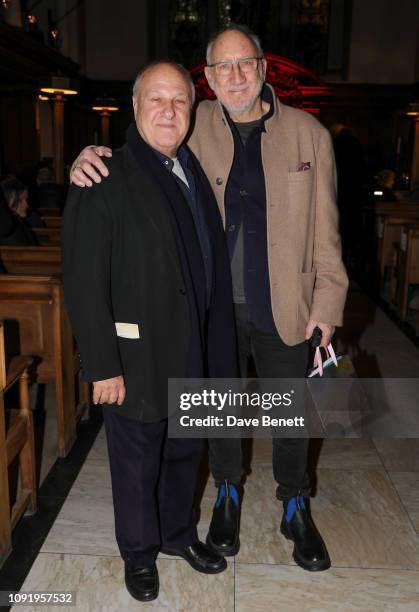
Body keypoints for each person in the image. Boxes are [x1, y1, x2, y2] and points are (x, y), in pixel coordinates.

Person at [70, 24, 348, 572]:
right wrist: (87, 155)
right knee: (216, 411)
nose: (236, 75)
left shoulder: (310, 135)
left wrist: (329, 303)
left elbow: (328, 230)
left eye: (245, 63)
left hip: (286, 304)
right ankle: (226, 493)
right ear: (210, 79)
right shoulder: (194, 130)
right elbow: (145, 148)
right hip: (213, 310)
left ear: (264, 69)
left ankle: (295, 502)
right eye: (223, 67)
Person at [62, 61, 238, 602]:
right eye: (156, 99)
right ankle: (139, 554)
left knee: (185, 449)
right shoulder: (103, 175)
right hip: (135, 354)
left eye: (179, 101)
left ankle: (177, 534)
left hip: (195, 345)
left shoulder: (192, 170)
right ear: (134, 108)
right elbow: (84, 279)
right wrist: (103, 365)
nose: (168, 110)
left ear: (192, 110)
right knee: (137, 460)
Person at [0, 177, 38, 245]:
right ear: (9, 200)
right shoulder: (10, 229)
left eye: (26, 200)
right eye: (21, 200)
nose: (26, 205)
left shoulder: (17, 223)